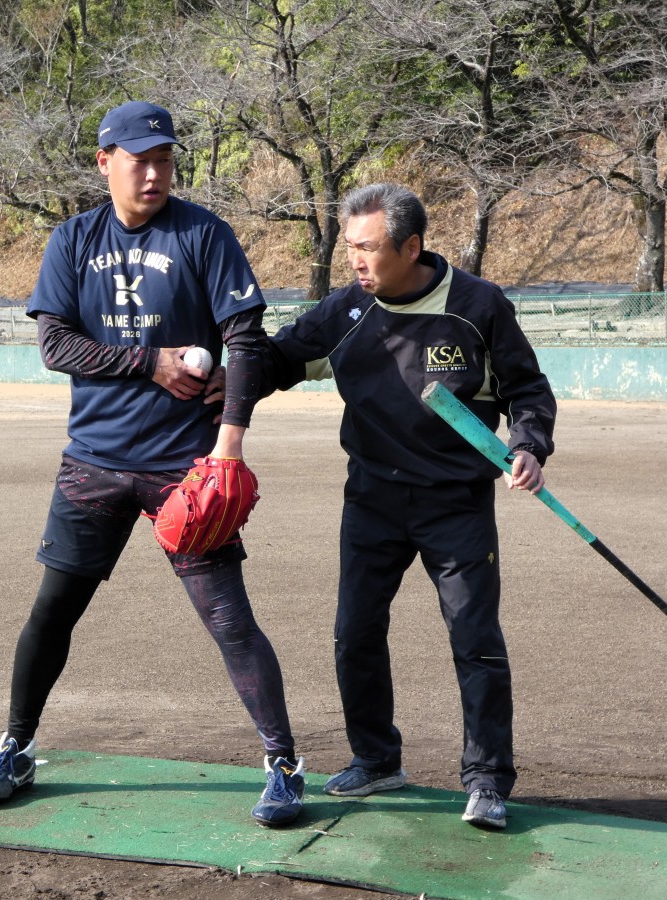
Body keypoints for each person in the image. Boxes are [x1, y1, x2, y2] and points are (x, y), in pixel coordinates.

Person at [0, 100, 304, 827]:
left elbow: (244, 337)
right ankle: (13, 747)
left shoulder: (203, 234)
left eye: (165, 160)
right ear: (105, 162)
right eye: (139, 160)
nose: (154, 174)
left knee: (228, 618)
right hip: (93, 460)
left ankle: (284, 764)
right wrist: (148, 361)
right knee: (54, 609)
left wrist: (230, 440)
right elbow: (55, 345)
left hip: (185, 466)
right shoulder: (73, 239)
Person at [259, 182, 556, 830]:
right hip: (371, 497)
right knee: (354, 634)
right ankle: (376, 758)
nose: (355, 262)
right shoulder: (346, 311)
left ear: (411, 246)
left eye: (367, 249)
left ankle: (487, 781)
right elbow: (277, 360)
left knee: (475, 641)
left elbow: (527, 389)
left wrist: (529, 445)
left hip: (455, 504)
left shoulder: (477, 305)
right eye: (350, 248)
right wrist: (213, 365)